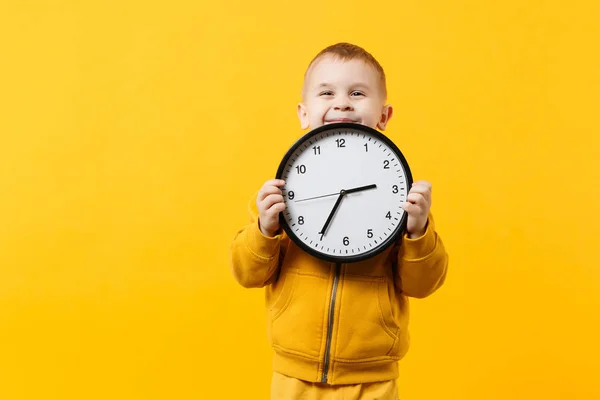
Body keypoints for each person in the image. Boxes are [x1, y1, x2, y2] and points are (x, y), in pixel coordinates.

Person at [229, 42, 449, 399]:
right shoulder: (285, 190)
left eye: (358, 93)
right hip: (294, 376)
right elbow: (245, 273)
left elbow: (423, 284)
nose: (343, 102)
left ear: (384, 116)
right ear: (304, 113)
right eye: (327, 92)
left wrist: (419, 231)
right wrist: (264, 230)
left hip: (373, 378)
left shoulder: (400, 197)